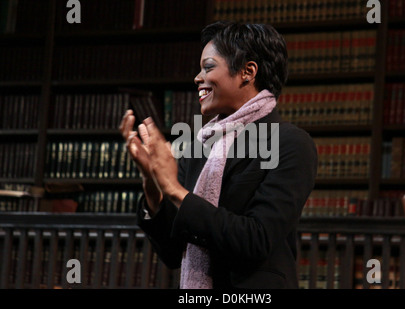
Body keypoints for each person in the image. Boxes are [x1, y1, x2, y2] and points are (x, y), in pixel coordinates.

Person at [119, 21, 317, 289]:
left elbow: (256, 240)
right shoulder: (200, 145)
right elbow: (173, 252)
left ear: (247, 72)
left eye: (208, 67)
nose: (197, 77)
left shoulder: (291, 143)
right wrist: (153, 186)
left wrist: (174, 189)